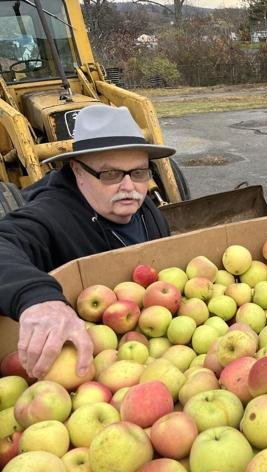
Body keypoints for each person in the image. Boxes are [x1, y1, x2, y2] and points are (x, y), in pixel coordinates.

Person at [0, 105, 175, 379]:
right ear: (77, 171)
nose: (130, 187)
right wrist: (37, 297)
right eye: (111, 174)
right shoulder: (51, 216)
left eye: (139, 173)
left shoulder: (147, 210)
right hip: (80, 365)